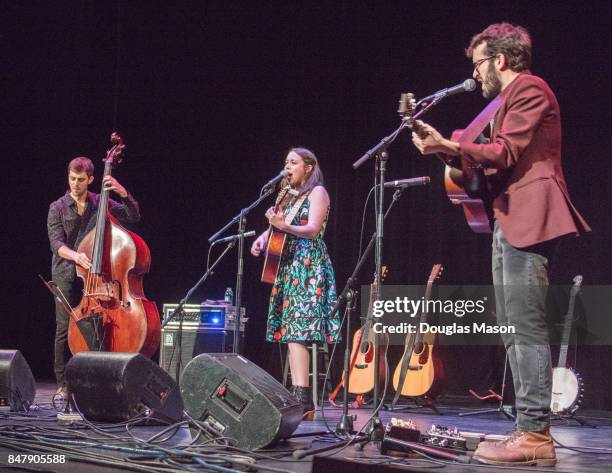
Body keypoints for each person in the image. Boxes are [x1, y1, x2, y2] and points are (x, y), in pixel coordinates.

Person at [411, 23, 590, 466]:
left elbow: (505, 153)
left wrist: (451, 145)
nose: (477, 73)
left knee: (524, 327)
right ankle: (527, 430)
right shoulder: (505, 101)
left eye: (479, 64)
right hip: (508, 218)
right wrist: (446, 151)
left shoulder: (530, 90)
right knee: (513, 327)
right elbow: (486, 166)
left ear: (501, 60)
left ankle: (535, 435)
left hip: (528, 218)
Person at [251, 148, 341, 420]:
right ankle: (300, 395)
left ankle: (303, 397)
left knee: (297, 330)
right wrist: (263, 238)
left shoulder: (318, 193)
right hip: (288, 266)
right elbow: (279, 226)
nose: (287, 167)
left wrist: (282, 226)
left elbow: (313, 229)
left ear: (309, 167)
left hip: (308, 265)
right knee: (290, 329)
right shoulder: (288, 196)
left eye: (293, 162)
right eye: (285, 162)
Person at [47, 156, 141, 400]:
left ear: (90, 180)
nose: (75, 184)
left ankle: (98, 377)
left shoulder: (100, 202)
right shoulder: (57, 207)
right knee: (64, 328)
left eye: (80, 180)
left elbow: (133, 216)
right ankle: (63, 385)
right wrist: (76, 256)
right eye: (72, 178)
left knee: (98, 326)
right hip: (67, 272)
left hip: (96, 275)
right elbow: (56, 243)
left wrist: (122, 192)